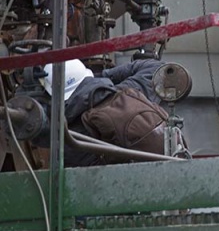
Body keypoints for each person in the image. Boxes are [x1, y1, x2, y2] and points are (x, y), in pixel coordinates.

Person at [38, 58, 167, 167]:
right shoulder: (127, 93)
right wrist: (101, 78)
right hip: (171, 166)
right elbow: (158, 68)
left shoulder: (72, 134)